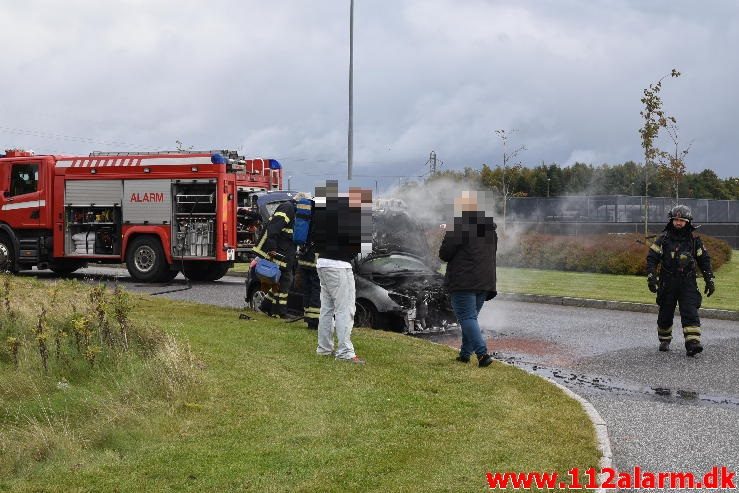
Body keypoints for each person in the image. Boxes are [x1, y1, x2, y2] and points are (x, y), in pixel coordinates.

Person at [312, 181, 372, 364]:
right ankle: (345, 352)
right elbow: (364, 249)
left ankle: (324, 348)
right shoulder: (356, 215)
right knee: (345, 309)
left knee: (327, 309)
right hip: (339, 266)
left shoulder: (327, 213)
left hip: (322, 263)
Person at [646, 205, 716, 356]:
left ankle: (693, 343)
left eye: (681, 220)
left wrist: (709, 279)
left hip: (688, 282)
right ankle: (664, 339)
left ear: (688, 222)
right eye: (675, 220)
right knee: (665, 312)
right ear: (671, 221)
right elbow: (652, 258)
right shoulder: (663, 239)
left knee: (690, 311)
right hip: (667, 282)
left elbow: (704, 260)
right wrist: (651, 277)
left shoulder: (694, 240)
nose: (678, 223)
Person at [438, 190, 497, 367]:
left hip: (464, 280)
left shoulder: (459, 225)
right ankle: (464, 355)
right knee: (470, 318)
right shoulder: (489, 228)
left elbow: (445, 254)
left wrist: (447, 233)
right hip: (485, 281)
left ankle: (482, 354)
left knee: (466, 317)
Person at [252, 193, 307, 317]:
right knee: (286, 280)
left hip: (284, 250)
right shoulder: (288, 208)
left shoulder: (293, 210)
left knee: (281, 281)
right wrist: (272, 248)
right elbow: (273, 228)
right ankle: (280, 312)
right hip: (278, 250)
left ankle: (266, 305)